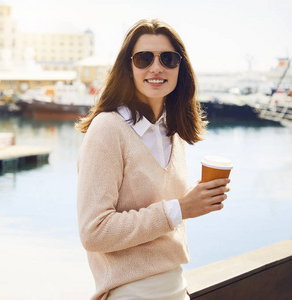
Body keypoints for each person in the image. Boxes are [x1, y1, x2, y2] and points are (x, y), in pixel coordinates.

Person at [76, 19, 231, 300]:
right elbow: (93, 232)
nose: (156, 68)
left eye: (168, 59)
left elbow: (168, 228)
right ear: (128, 66)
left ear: (180, 69)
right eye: (144, 58)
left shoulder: (173, 131)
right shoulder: (108, 129)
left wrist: (177, 283)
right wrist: (180, 208)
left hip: (175, 287)